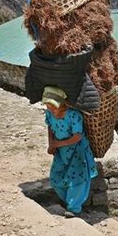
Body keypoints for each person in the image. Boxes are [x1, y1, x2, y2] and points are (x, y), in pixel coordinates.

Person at [42, 86, 98, 218]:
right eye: (48, 106)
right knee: (56, 176)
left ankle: (74, 208)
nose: (50, 109)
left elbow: (77, 137)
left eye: (53, 106)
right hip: (61, 151)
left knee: (77, 180)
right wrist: (51, 143)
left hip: (78, 151)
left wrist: (57, 143)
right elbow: (50, 127)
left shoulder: (74, 116)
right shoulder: (49, 114)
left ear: (62, 103)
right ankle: (66, 200)